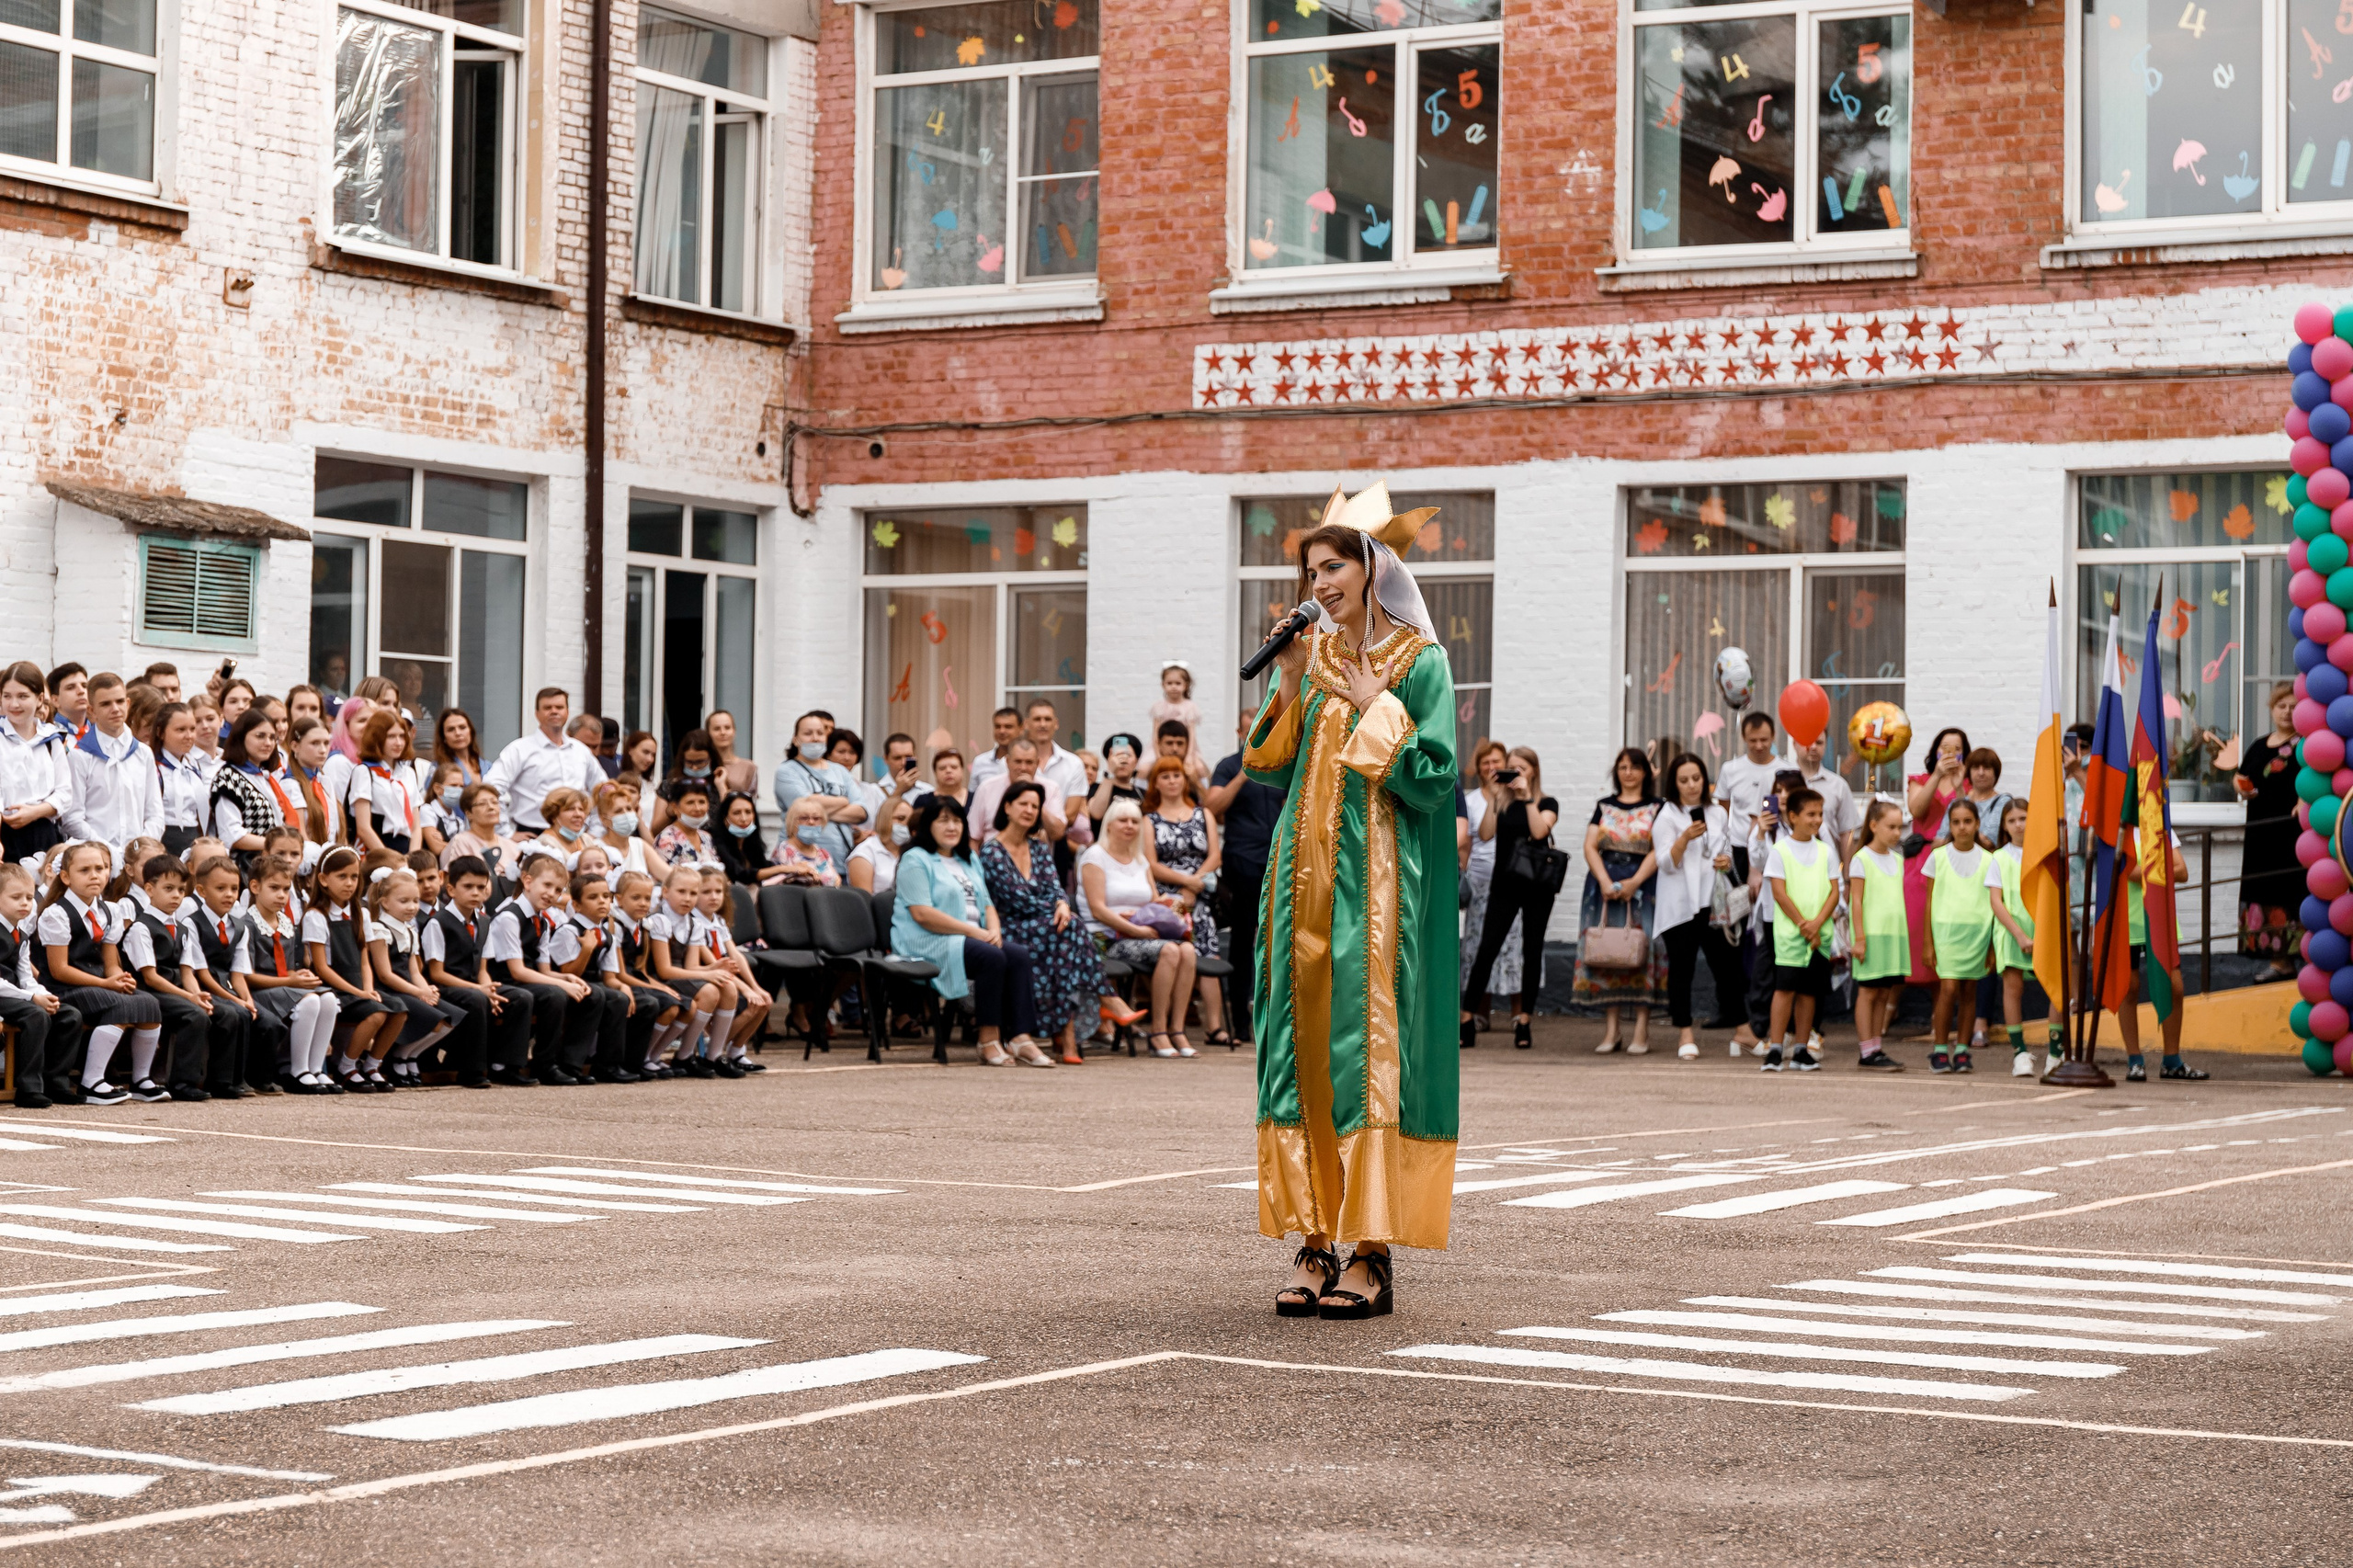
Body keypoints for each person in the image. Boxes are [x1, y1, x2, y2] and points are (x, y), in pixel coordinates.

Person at [1242, 483, 1460, 1319]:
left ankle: (1371, 1252)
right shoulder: (1316, 654)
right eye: (1310, 569)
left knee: (1366, 1057)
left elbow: (1434, 779)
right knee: (1302, 1054)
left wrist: (1378, 710)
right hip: (1300, 885)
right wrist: (1292, 681)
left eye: (1333, 566)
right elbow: (1267, 762)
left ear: (1372, 569)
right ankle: (1313, 1239)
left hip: (1378, 895)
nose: (1320, 582)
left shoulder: (1418, 661)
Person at [890, 796, 1048, 1067]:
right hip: (927, 940)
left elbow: (987, 903)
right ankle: (988, 1039)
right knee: (991, 956)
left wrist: (995, 930)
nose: (952, 827)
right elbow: (922, 914)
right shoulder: (915, 859)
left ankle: (1020, 1037)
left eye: (957, 820)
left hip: (970, 936)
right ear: (928, 825)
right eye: (944, 821)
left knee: (1018, 954)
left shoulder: (968, 858)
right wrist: (973, 932)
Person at [983, 781, 1126, 1065]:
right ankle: (1102, 1003)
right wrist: (1055, 910)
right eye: (1023, 803)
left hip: (1046, 928)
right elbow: (1016, 900)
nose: (1030, 810)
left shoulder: (1037, 848)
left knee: (1066, 935)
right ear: (1007, 807)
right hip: (1010, 927)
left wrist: (1061, 903)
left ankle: (1069, 1034)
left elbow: (1055, 886)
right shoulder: (991, 852)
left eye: (1035, 806)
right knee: (1069, 929)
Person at [37, 839, 163, 1106]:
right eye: (85, 870)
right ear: (66, 877)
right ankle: (91, 1082)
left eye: (101, 868)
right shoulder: (56, 913)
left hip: (98, 983)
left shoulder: (109, 910)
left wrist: (118, 977)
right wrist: (107, 983)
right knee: (118, 1005)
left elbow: (110, 960)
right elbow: (59, 970)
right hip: (64, 989)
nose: (95, 875)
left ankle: (141, 1080)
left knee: (149, 1003)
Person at [1461, 746, 1561, 1052]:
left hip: (1536, 887)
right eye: (1511, 768)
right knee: (1486, 949)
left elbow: (1539, 831)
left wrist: (1527, 796)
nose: (1515, 774)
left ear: (1533, 771)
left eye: (1522, 769)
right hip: (1504, 884)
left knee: (1532, 951)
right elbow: (1486, 835)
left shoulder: (1546, 802)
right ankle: (1466, 1018)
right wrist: (1495, 796)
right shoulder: (1501, 802)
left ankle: (1525, 1021)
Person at [1080, 799, 1197, 1057]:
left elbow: (1153, 900)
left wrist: (1174, 904)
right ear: (1109, 825)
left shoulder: (1140, 860)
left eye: (1134, 821)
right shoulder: (1094, 856)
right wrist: (1137, 931)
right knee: (1169, 951)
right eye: (1123, 820)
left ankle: (1176, 1030)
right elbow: (1098, 909)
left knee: (1187, 950)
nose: (1130, 826)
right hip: (1105, 937)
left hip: (1141, 935)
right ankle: (1157, 1032)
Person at [1654, 752, 1751, 1062]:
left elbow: (1722, 851)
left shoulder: (1716, 814)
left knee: (1727, 967)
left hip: (1712, 903)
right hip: (1681, 905)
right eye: (1684, 780)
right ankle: (1685, 1033)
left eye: (1696, 778)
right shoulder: (1668, 815)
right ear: (1674, 783)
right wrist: (1683, 839)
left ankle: (1743, 1030)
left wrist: (1724, 861)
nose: (1692, 785)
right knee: (1682, 970)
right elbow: (1665, 863)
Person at [1573, 748, 1661, 1053]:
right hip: (1604, 889)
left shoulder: (1657, 807)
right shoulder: (1604, 806)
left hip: (1643, 887)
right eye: (1622, 767)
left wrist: (1634, 882)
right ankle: (1611, 1031)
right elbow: (1590, 846)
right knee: (1607, 953)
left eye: (1635, 767)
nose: (1628, 772)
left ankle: (1641, 1030)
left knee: (1641, 951)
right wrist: (1606, 882)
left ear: (1645, 772)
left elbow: (1659, 848)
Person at [1205, 713, 1285, 1047]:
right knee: (1241, 943)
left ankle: (1278, 1025)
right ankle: (1239, 1024)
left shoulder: (1284, 761)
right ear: (1240, 732)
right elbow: (1212, 806)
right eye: (1251, 727)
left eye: (1265, 725)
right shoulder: (1228, 765)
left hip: (1282, 861)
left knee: (1281, 941)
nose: (1259, 731)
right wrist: (1244, 774)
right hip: (1244, 863)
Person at [487, 852, 599, 1086]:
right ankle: (519, 1064)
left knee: (589, 993)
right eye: (547, 885)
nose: (551, 894)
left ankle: (565, 1063)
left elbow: (544, 970)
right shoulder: (509, 917)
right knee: (553, 994)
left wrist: (566, 976)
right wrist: (562, 984)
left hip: (528, 980)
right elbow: (517, 971)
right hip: (504, 981)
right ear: (527, 881)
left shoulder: (543, 921)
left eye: (558, 890)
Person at [1142, 756, 1228, 1046]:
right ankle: (1167, 1027)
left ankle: (1214, 1027)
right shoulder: (1149, 819)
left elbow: (1215, 854)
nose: (1171, 781)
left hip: (1200, 897)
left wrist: (1196, 883)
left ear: (1184, 780)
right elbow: (1150, 863)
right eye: (1164, 776)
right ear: (1155, 783)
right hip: (1168, 901)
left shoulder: (1203, 814)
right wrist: (1184, 884)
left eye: (1176, 775)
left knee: (1209, 955)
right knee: (1177, 956)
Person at [420, 854, 522, 1086]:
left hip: (475, 986)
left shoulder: (484, 922)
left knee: (519, 998)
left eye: (480, 887)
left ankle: (506, 1065)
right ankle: (473, 1070)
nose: (475, 892)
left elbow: (483, 968)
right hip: (446, 988)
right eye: (468, 887)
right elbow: (437, 973)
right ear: (451, 889)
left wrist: (488, 988)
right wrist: (480, 989)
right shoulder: (438, 922)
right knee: (477, 999)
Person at [303, 846, 400, 1092]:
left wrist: (368, 988)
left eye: (354, 877)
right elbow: (322, 968)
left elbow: (364, 959)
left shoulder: (361, 914)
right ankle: (346, 1066)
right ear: (324, 880)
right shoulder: (316, 916)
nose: (349, 883)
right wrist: (358, 994)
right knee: (377, 1013)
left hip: (358, 986)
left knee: (399, 1009)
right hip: (336, 988)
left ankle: (371, 1065)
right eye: (342, 876)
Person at [119, 853, 210, 1101]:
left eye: (181, 890)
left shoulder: (182, 928)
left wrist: (197, 994)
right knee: (193, 1014)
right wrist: (190, 998)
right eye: (168, 888)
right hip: (150, 993)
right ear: (149, 888)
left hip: (175, 992)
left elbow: (187, 971)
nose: (177, 896)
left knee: (224, 1012)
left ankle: (219, 1079)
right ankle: (182, 1083)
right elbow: (151, 977)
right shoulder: (141, 927)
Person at [1763, 787, 1836, 1073]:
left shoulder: (1826, 851)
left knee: (1809, 993)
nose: (1817, 819)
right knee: (1785, 990)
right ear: (1793, 817)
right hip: (1791, 936)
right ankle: (1775, 1048)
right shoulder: (1780, 851)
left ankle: (1802, 1049)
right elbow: (1779, 893)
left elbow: (1834, 892)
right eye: (1811, 814)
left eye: (1820, 814)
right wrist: (1804, 925)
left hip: (1820, 936)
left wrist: (1817, 924)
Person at [0, 860, 82, 1108]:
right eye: (16, 897)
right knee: (35, 1015)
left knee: (69, 1015)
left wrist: (43, 994)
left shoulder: (21, 935)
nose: (25, 903)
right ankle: (28, 1088)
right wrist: (30, 998)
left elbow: (26, 976)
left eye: (28, 896)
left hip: (15, 995)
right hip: (4, 995)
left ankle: (56, 1081)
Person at [1455, 741, 1522, 1039]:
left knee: (1513, 946)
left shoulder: (1517, 795)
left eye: (1497, 761)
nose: (1492, 767)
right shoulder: (1471, 800)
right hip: (1482, 881)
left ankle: (1518, 1012)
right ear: (1478, 768)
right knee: (1478, 946)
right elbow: (1473, 838)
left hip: (1513, 877)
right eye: (1485, 762)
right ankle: (1479, 1011)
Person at [2236, 682, 2302, 976]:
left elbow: (2318, 777)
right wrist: (2242, 789)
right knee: (2264, 890)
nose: (2287, 712)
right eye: (2282, 706)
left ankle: (2296, 959)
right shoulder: (2259, 745)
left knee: (2291, 890)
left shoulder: (2308, 744)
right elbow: (2241, 777)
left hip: (2293, 834)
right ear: (2271, 709)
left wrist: (2304, 800)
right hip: (2260, 834)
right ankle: (2279, 961)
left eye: (2294, 706)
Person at [1921, 797, 1992, 1074]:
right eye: (1956, 822)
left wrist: (1992, 946)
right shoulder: (1937, 857)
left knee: (1969, 991)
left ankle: (1962, 1050)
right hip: (1947, 934)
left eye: (1967, 821)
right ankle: (1939, 1049)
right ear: (1949, 825)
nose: (1962, 827)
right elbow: (1928, 902)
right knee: (1948, 988)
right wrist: (1928, 942)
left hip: (1977, 935)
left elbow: (1994, 902)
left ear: (1977, 824)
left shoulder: (1988, 860)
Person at [64, 673, 164, 855]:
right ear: (92, 711)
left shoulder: (143, 753)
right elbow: (72, 818)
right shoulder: (80, 755)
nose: (115, 709)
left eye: (119, 702)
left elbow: (155, 813)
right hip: (97, 856)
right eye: (105, 704)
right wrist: (109, 851)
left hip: (139, 855)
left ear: (128, 703)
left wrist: (141, 847)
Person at [485, 688, 605, 835]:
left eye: (559, 707)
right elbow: (491, 788)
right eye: (548, 707)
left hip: (577, 835)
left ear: (567, 712)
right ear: (537, 713)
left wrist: (595, 831)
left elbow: (602, 790)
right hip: (532, 834)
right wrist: (506, 833)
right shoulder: (519, 749)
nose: (554, 711)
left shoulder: (581, 751)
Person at [1904, 726, 1971, 988]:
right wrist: (1937, 776)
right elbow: (1916, 809)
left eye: (1956, 748)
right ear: (1935, 751)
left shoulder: (1968, 782)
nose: (1949, 753)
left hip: (1956, 860)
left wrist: (1959, 786)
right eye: (1944, 747)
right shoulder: (1919, 779)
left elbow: (1970, 816)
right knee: (1918, 927)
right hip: (1922, 859)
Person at [1847, 800, 1910, 1071]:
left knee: (1884, 993)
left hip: (1894, 937)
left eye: (1900, 827)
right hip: (1871, 937)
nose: (1897, 833)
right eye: (1891, 827)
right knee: (1869, 992)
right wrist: (1859, 938)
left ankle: (1877, 1047)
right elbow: (1856, 901)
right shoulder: (1861, 859)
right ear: (1873, 826)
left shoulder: (1898, 859)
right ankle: (1866, 1050)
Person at [1984, 798, 2044, 1078]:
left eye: (2024, 818)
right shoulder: (1999, 857)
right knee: (2013, 990)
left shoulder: (2044, 853)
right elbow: (1997, 901)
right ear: (2004, 826)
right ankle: (2020, 1053)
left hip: (2043, 930)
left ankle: (2057, 1053)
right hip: (2011, 932)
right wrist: (2019, 934)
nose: (2019, 825)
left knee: (2057, 989)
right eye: (2012, 820)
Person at [773, 711, 867, 867]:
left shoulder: (840, 771)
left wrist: (818, 805)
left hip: (841, 863)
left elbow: (861, 812)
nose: (815, 738)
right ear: (795, 740)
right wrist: (843, 800)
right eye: (808, 733)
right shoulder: (787, 771)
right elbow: (803, 810)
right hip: (799, 863)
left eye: (820, 733)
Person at [0, 661, 68, 864]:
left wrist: (35, 812)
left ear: (39, 699)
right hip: (6, 832)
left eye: (22, 696)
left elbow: (65, 792)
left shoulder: (51, 739)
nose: (14, 704)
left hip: (43, 832)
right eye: (7, 696)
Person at [210, 712, 296, 862]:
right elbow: (231, 834)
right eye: (260, 736)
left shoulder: (264, 776)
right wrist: (277, 845)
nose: (268, 743)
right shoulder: (229, 778)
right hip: (247, 866)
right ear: (241, 737)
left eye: (272, 737)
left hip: (271, 864)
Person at [966, 739, 1066, 850]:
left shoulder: (1050, 789)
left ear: (1037, 763)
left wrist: (1035, 801)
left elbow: (1058, 833)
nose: (1023, 768)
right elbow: (974, 838)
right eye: (1018, 762)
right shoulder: (987, 788)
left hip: (1037, 861)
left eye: (1029, 762)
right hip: (992, 860)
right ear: (1008, 762)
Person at [349, 710, 422, 856]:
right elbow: (363, 828)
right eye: (391, 736)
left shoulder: (409, 773)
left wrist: (413, 857)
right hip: (376, 848)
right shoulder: (364, 771)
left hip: (406, 847)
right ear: (376, 738)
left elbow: (416, 827)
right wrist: (390, 859)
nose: (398, 742)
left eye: (402, 736)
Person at [442, 782, 529, 882]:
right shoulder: (460, 842)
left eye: (495, 802)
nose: (491, 807)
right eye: (482, 803)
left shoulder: (512, 846)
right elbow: (453, 882)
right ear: (469, 813)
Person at [588, 779, 658, 880]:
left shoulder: (639, 845)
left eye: (629, 809)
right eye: (618, 811)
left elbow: (668, 875)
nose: (626, 814)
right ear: (604, 820)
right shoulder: (595, 849)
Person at [769, 796, 844, 886]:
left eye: (816, 818)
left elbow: (836, 880)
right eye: (804, 818)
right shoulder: (784, 851)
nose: (811, 822)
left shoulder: (824, 854)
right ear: (793, 821)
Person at [848, 798, 912, 895]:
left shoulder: (911, 851)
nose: (906, 824)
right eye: (900, 818)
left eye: (910, 820)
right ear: (885, 819)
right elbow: (864, 901)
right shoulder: (864, 854)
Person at [653, 780, 722, 868]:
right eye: (690, 802)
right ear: (675, 807)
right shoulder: (666, 840)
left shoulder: (707, 838)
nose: (697, 808)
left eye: (702, 802)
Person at [1149, 663, 1203, 774]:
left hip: (1186, 749)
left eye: (1178, 683)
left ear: (1185, 685)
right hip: (1161, 748)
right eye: (1169, 683)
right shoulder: (1159, 707)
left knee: (1199, 769)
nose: (1174, 687)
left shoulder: (1190, 707)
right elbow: (1155, 734)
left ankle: (1205, 791)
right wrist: (1159, 755)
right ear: (1163, 685)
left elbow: (1191, 735)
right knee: (1144, 769)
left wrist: (1188, 756)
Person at [435, 708, 490, 789]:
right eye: (451, 729)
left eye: (462, 727)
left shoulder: (487, 766)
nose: (458, 733)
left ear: (471, 731)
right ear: (443, 737)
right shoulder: (437, 767)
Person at [968, 707, 1022, 787]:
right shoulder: (980, 762)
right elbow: (973, 797)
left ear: (1021, 729)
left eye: (1008, 727)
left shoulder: (1027, 762)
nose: (1002, 731)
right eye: (997, 726)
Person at [46, 663, 89, 741]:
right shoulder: (49, 737)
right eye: (70, 687)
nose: (81, 691)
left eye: (84, 686)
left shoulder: (101, 732)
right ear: (55, 700)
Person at [928, 749, 970, 813]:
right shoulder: (923, 801)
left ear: (962, 771)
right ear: (935, 773)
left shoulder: (976, 799)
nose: (948, 771)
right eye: (942, 768)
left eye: (954, 767)